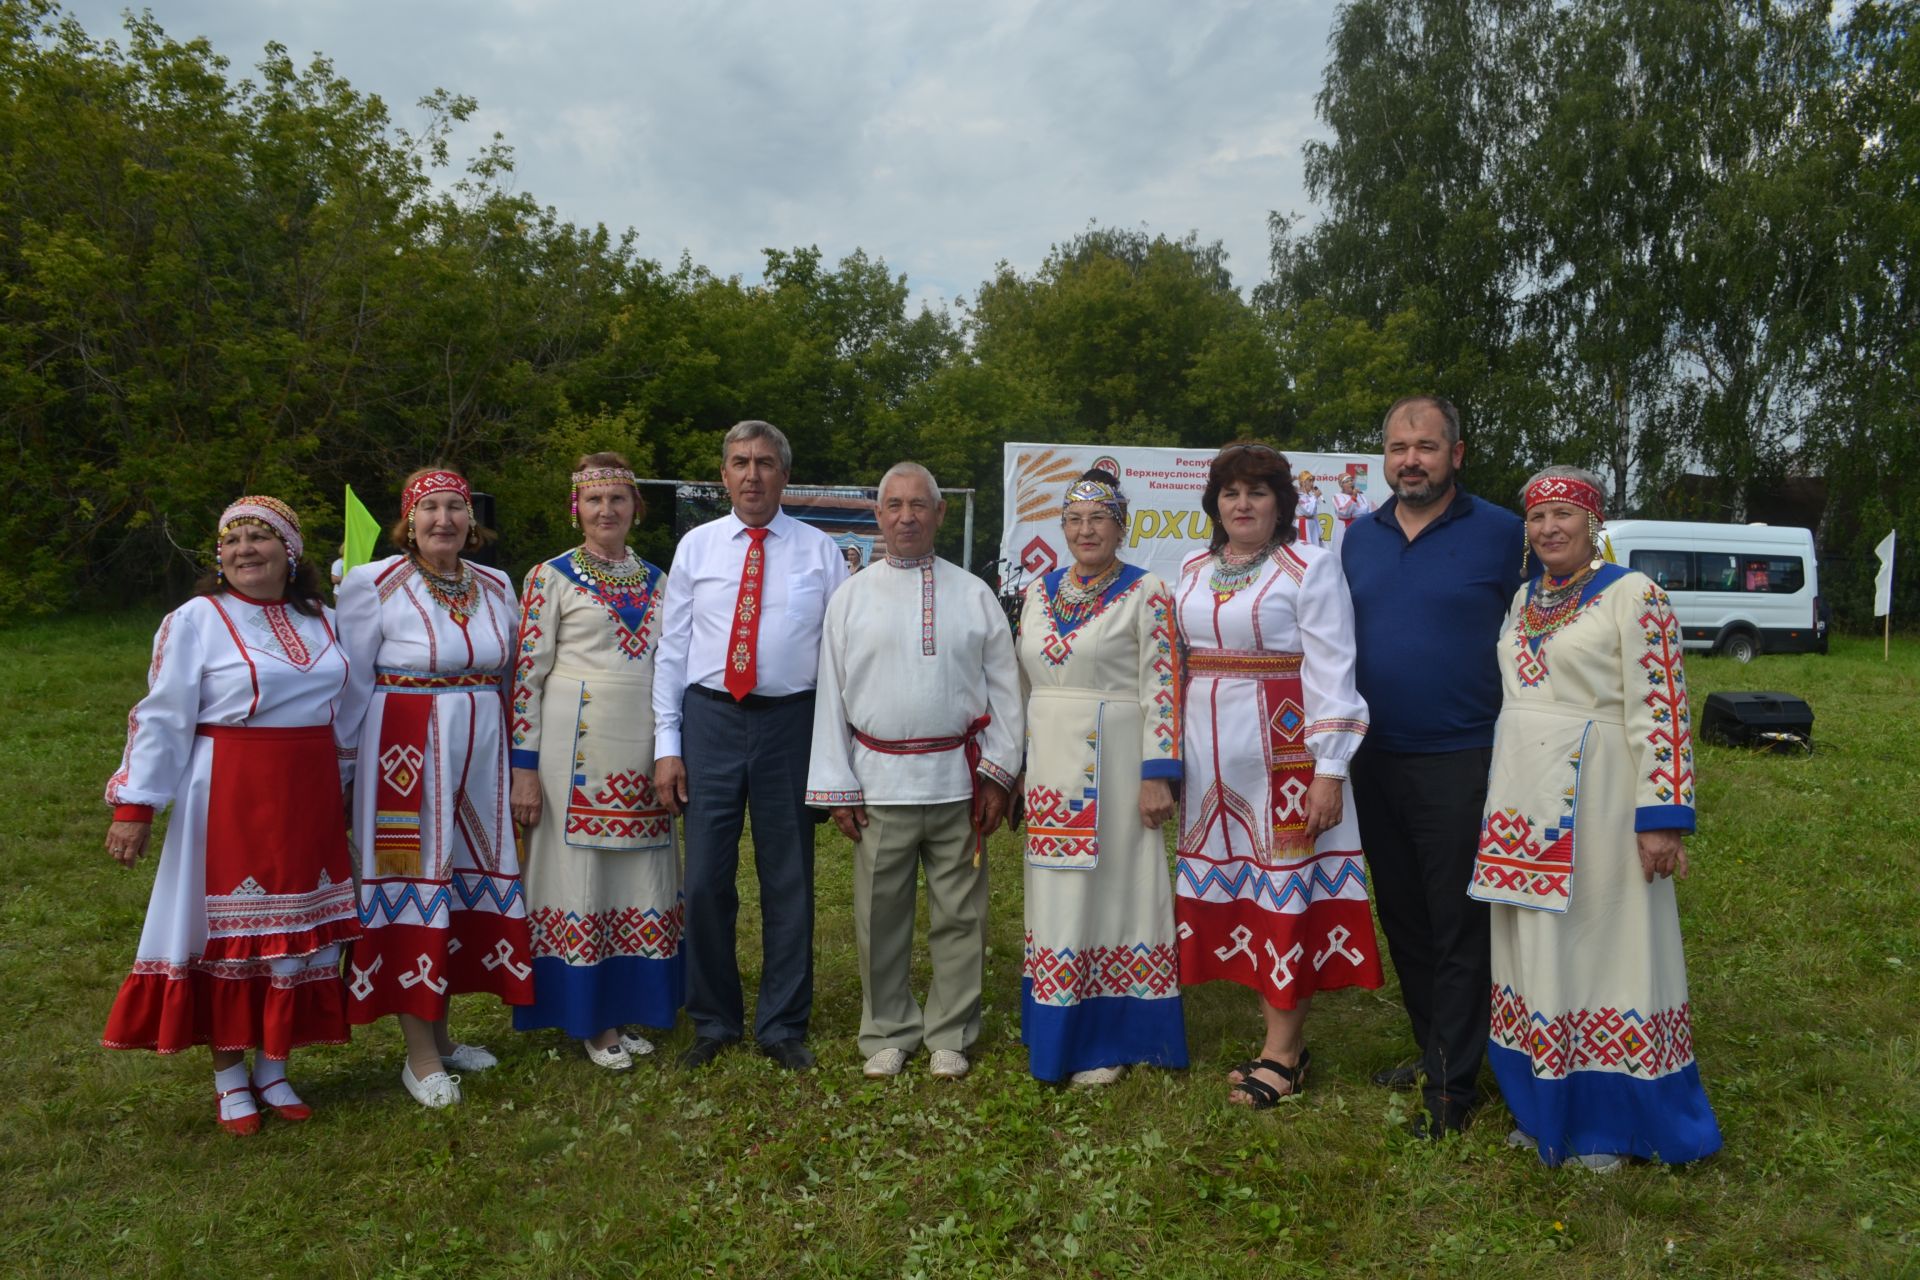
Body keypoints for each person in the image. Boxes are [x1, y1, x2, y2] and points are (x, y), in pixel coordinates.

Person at [1472, 465, 1721, 1170]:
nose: (1550, 528)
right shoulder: (1524, 598)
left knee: (1606, 948)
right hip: (1523, 801)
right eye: (1538, 517)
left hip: (1604, 801)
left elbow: (1664, 708)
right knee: (1531, 949)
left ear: (1593, 524)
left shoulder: (1633, 594)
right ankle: (1542, 1107)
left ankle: (1614, 1122)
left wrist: (1661, 815)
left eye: (1564, 515)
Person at [101, 496, 358, 1134]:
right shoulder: (197, 619)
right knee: (233, 934)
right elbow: (163, 714)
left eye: (261, 537)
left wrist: (347, 786)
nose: (245, 549)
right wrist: (136, 806)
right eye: (233, 539)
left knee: (295, 926)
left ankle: (273, 1066)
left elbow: (346, 708)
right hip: (231, 791)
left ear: (290, 552)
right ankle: (227, 1076)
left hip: (309, 791)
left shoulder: (322, 618)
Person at [1173, 443, 1383, 1109]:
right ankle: (1271, 1039)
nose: (1243, 504)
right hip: (1209, 763)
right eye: (1231, 493)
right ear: (1214, 503)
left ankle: (1284, 1054)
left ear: (1281, 505)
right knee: (1239, 896)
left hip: (1281, 758)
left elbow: (1333, 667)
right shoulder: (1190, 568)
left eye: (1258, 493)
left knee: (1285, 894)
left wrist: (1330, 770)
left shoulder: (1308, 567)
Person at [1340, 395, 1525, 1138]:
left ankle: (1453, 1087)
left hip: (1464, 756)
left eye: (1425, 445)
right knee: (1405, 916)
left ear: (1457, 452)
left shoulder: (1504, 536)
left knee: (1458, 924)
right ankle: (1435, 1051)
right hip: (1373, 758)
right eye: (1397, 447)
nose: (1410, 459)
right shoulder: (1358, 539)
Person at [806, 463, 1022, 1079]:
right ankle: (888, 1028)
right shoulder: (850, 596)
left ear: (939, 514)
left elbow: (1006, 692)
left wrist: (999, 775)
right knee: (880, 914)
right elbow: (831, 697)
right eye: (894, 505)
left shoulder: (975, 594)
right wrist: (837, 787)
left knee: (962, 913)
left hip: (958, 783)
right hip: (879, 785)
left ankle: (951, 1029)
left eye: (918, 505)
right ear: (878, 516)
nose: (906, 516)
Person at [652, 420, 849, 1071]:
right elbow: (671, 651)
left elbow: (840, 658)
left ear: (785, 476)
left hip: (790, 724)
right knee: (706, 879)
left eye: (766, 462)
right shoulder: (697, 548)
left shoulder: (822, 552)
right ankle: (713, 1018)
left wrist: (834, 750)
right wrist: (667, 745)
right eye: (740, 461)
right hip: (709, 720)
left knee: (788, 877)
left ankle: (783, 1023)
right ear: (724, 475)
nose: (753, 474)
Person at [335, 467, 533, 1108]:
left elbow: (510, 675)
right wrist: (343, 768)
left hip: (481, 752)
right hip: (404, 755)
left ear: (471, 521)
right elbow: (352, 681)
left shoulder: (498, 583)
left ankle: (444, 1038)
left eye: (456, 508)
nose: (443, 519)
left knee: (462, 882)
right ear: (408, 522)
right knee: (411, 884)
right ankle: (418, 1054)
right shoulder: (373, 583)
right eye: (430, 510)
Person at [1013, 469, 1186, 1086]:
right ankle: (1056, 1022)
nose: (1086, 530)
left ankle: (1112, 1035)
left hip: (1116, 766)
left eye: (1099, 518)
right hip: (1052, 765)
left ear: (1122, 526)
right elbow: (1021, 685)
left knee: (1118, 892)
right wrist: (1014, 768)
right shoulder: (1039, 593)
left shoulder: (1149, 592)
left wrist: (1157, 773)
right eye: (1074, 520)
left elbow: (1163, 687)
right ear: (1062, 528)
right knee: (1056, 894)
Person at [509, 453, 681, 1070]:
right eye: (593, 500)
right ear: (575, 510)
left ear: (637, 507)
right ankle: (591, 1016)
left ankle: (629, 1005)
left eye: (618, 499)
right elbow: (525, 680)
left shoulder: (662, 581)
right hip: (569, 759)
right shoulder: (548, 578)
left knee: (640, 879)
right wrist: (522, 767)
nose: (605, 510)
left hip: (642, 754)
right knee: (580, 881)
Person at [1294, 468, 1374, 548]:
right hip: (1304, 525)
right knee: (1306, 549)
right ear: (1303, 483)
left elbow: (1367, 510)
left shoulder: (1360, 496)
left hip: (1313, 526)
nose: (1312, 483)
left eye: (1351, 480)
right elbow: (1308, 511)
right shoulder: (1298, 496)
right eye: (1310, 481)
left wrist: (1319, 532)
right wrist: (1353, 498)